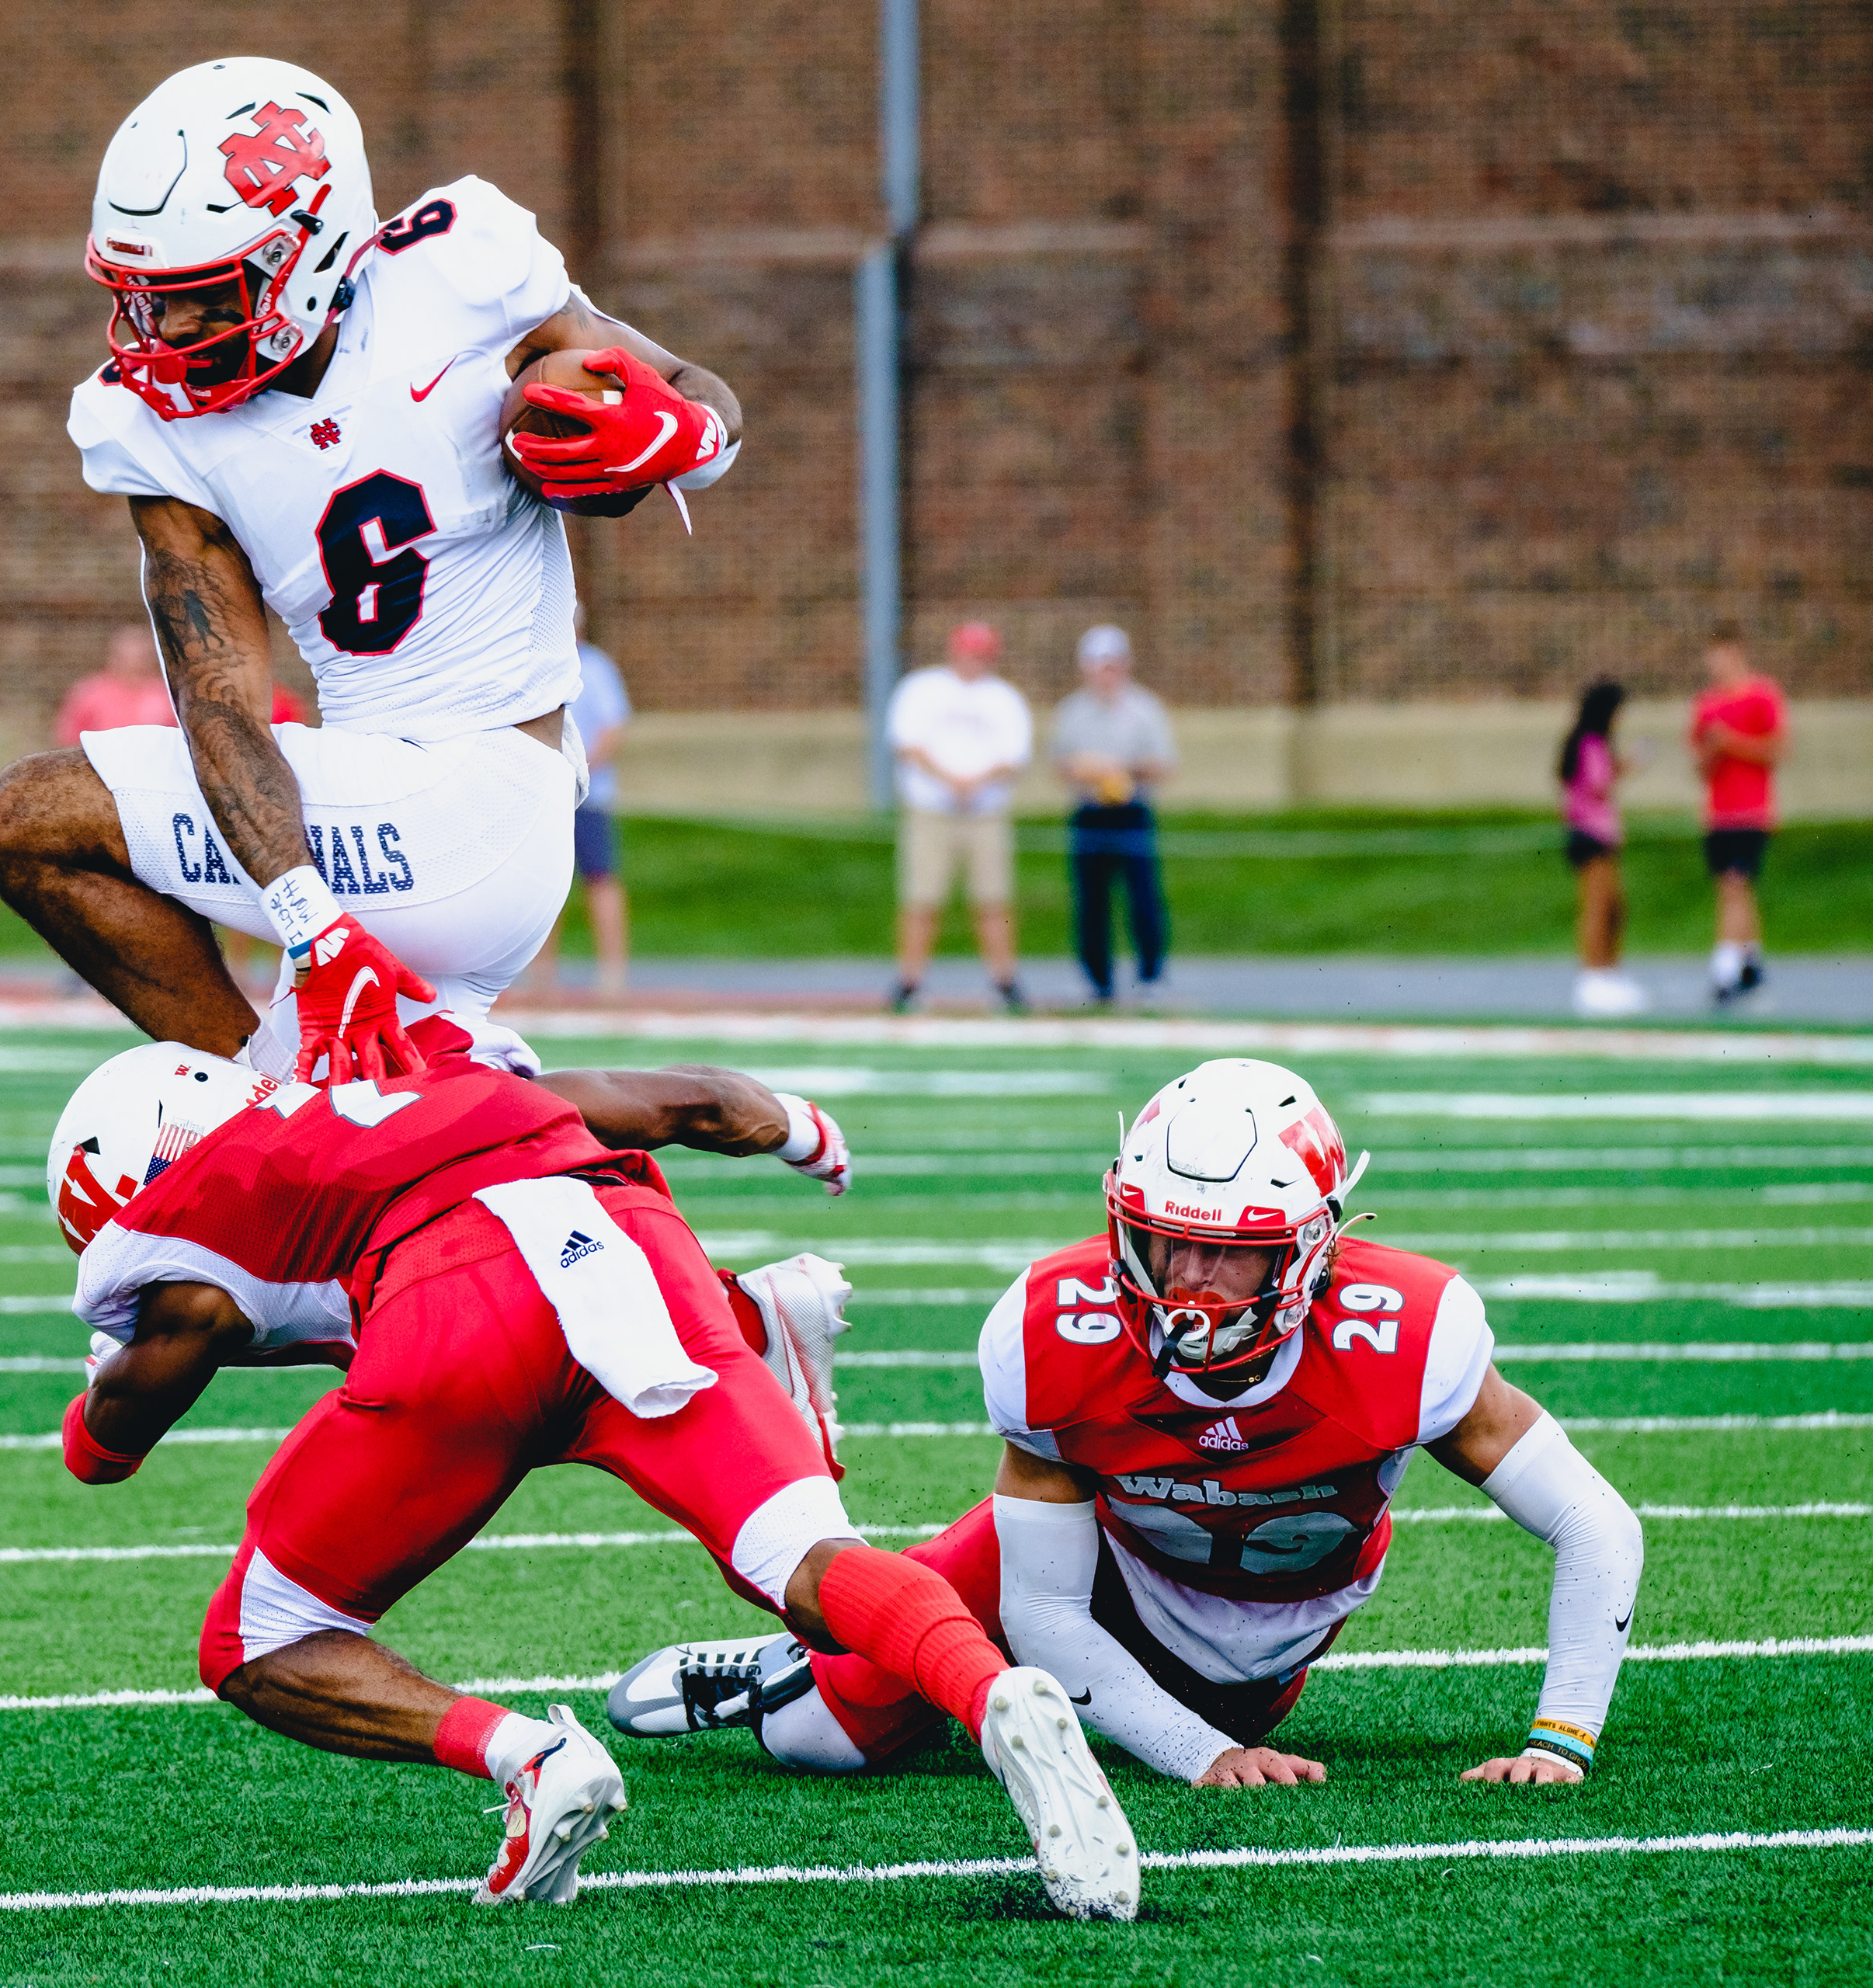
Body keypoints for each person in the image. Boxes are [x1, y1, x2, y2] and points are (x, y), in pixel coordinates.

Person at [47, 1037, 1140, 1919]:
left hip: (458, 1309)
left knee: (256, 1641)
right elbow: (690, 1101)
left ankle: (528, 1757)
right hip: (630, 1249)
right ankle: (993, 1690)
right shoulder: (424, 1084)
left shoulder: (208, 1191)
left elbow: (146, 1391)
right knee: (810, 1562)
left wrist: (90, 1425)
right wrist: (808, 1137)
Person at [0, 57, 743, 1089]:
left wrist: (684, 432)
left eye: (201, 298)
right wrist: (313, 924)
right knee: (367, 1205)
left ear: (308, 256)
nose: (171, 336)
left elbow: (700, 397)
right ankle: (679, 1140)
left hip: (486, 792)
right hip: (384, 815)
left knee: (30, 821)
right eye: (146, 301)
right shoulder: (153, 428)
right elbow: (220, 709)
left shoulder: (459, 271)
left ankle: (264, 1101)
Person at [604, 1058, 1645, 1799]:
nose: (1188, 1280)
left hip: (1250, 1635)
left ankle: (840, 1643)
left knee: (1196, 1719)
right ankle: (795, 1658)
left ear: (1314, 1245)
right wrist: (1195, 1758)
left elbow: (1597, 1524)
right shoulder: (1057, 1325)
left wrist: (1560, 1741)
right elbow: (1047, 1604)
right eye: (1161, 1241)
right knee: (819, 1738)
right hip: (1097, 1557)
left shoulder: (1410, 1334)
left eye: (1227, 1252)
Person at [886, 621, 1030, 1014]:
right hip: (932, 808)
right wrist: (949, 780)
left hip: (985, 812)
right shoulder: (923, 689)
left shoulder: (1003, 698)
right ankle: (909, 981)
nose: (974, 661)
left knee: (993, 899)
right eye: (969, 651)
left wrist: (976, 782)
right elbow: (907, 744)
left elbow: (1014, 756)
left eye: (981, 653)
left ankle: (1004, 981)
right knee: (921, 898)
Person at [1049, 625, 1174, 1006]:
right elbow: (1061, 765)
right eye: (1100, 665)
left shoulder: (1144, 708)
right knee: (1091, 901)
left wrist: (1122, 771)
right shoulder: (1072, 711)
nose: (1107, 672)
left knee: (1143, 897)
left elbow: (1163, 763)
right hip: (1090, 813)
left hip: (1132, 811)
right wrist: (1091, 772)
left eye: (1113, 664)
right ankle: (1097, 981)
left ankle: (1150, 977)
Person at [525, 621, 633, 999]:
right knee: (545, 885)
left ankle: (612, 974)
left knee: (600, 878)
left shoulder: (595, 668)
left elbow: (613, 730)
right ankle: (541, 976)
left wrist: (577, 770)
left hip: (588, 797)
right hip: (547, 796)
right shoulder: (540, 668)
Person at [1689, 626, 1788, 1010]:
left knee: (1735, 884)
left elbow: (1778, 749)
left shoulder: (1762, 694)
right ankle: (1751, 965)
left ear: (1738, 652)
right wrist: (1713, 750)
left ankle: (1725, 970)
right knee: (1734, 890)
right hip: (1718, 813)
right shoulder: (1705, 703)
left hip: (1751, 810)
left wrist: (1731, 741)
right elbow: (1700, 767)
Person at [1559, 679, 1643, 1018]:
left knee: (1614, 907)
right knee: (1597, 905)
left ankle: (1609, 972)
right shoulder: (1588, 742)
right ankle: (1593, 977)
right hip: (1589, 835)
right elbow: (1597, 785)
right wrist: (1625, 768)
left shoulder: (1595, 743)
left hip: (1601, 836)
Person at [50, 626, 177, 748]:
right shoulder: (90, 693)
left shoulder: (167, 695)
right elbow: (68, 739)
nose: (135, 666)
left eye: (142, 657)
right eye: (128, 658)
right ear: (114, 657)